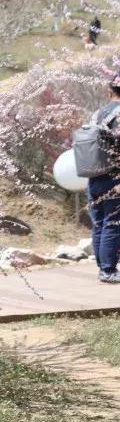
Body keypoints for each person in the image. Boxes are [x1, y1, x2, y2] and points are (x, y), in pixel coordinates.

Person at [87, 77, 120, 284]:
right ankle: (108, 270)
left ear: (110, 92)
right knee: (113, 223)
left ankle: (103, 268)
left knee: (99, 223)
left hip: (94, 175)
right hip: (115, 177)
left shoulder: (97, 114)